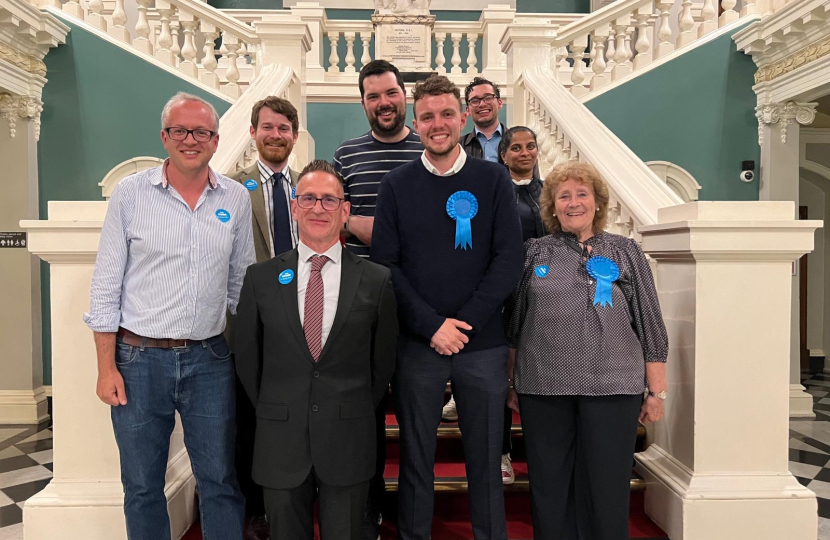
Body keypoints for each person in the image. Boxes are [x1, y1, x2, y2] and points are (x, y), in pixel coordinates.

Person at [85, 92, 253, 540]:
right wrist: (106, 368)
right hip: (138, 363)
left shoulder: (235, 198)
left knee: (219, 480)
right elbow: (106, 287)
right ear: (165, 137)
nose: (190, 140)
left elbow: (242, 287)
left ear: (216, 141)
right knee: (142, 485)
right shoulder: (130, 195)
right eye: (180, 130)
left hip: (210, 360)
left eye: (201, 132)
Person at [372, 74, 523, 540]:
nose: (437, 124)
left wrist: (466, 322)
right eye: (427, 117)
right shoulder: (395, 185)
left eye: (445, 115)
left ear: (462, 118)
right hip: (418, 344)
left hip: (483, 345)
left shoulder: (494, 179)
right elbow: (386, 266)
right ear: (415, 124)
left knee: (485, 461)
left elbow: (508, 259)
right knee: (416, 460)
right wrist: (433, 326)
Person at [234, 160, 398, 540]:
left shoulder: (376, 280)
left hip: (348, 437)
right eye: (308, 198)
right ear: (294, 207)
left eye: (329, 200)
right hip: (280, 437)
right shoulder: (261, 278)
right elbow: (248, 360)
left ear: (345, 210)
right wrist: (278, 406)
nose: (318, 208)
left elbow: (382, 364)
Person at [506, 161, 668, 540]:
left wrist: (656, 391)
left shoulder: (626, 251)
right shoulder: (533, 253)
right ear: (552, 205)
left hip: (613, 388)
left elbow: (649, 323)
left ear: (597, 203)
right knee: (549, 484)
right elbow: (515, 322)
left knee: (607, 484)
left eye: (582, 194)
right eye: (564, 196)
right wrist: (511, 380)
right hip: (542, 386)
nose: (573, 202)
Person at [333, 59, 422, 539]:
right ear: (362, 102)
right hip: (361, 300)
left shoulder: (425, 149)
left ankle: (412, 506)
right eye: (373, 96)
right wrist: (373, 227)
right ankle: (370, 503)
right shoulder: (346, 155)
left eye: (390, 93)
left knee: (413, 408)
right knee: (364, 410)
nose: (383, 103)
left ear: (402, 95)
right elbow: (334, 213)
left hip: (419, 299)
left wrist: (380, 231)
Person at [226, 95, 302, 539]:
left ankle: (296, 497)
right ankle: (257, 508)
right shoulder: (233, 188)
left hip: (304, 319)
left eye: (284, 128)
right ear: (253, 133)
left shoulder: (310, 185)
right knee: (251, 421)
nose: (276, 135)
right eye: (268, 127)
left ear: (294, 135)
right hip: (251, 324)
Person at [497, 126, 547, 485]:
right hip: (505, 291)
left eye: (530, 146)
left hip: (544, 292)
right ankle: (502, 451)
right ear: (503, 155)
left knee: (538, 370)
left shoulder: (549, 194)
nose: (525, 152)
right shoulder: (495, 193)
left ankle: (543, 449)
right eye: (516, 147)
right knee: (503, 374)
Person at [460, 77, 505, 164]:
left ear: (499, 103)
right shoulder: (458, 147)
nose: (482, 104)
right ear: (468, 110)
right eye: (475, 101)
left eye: (488, 98)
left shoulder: (517, 142)